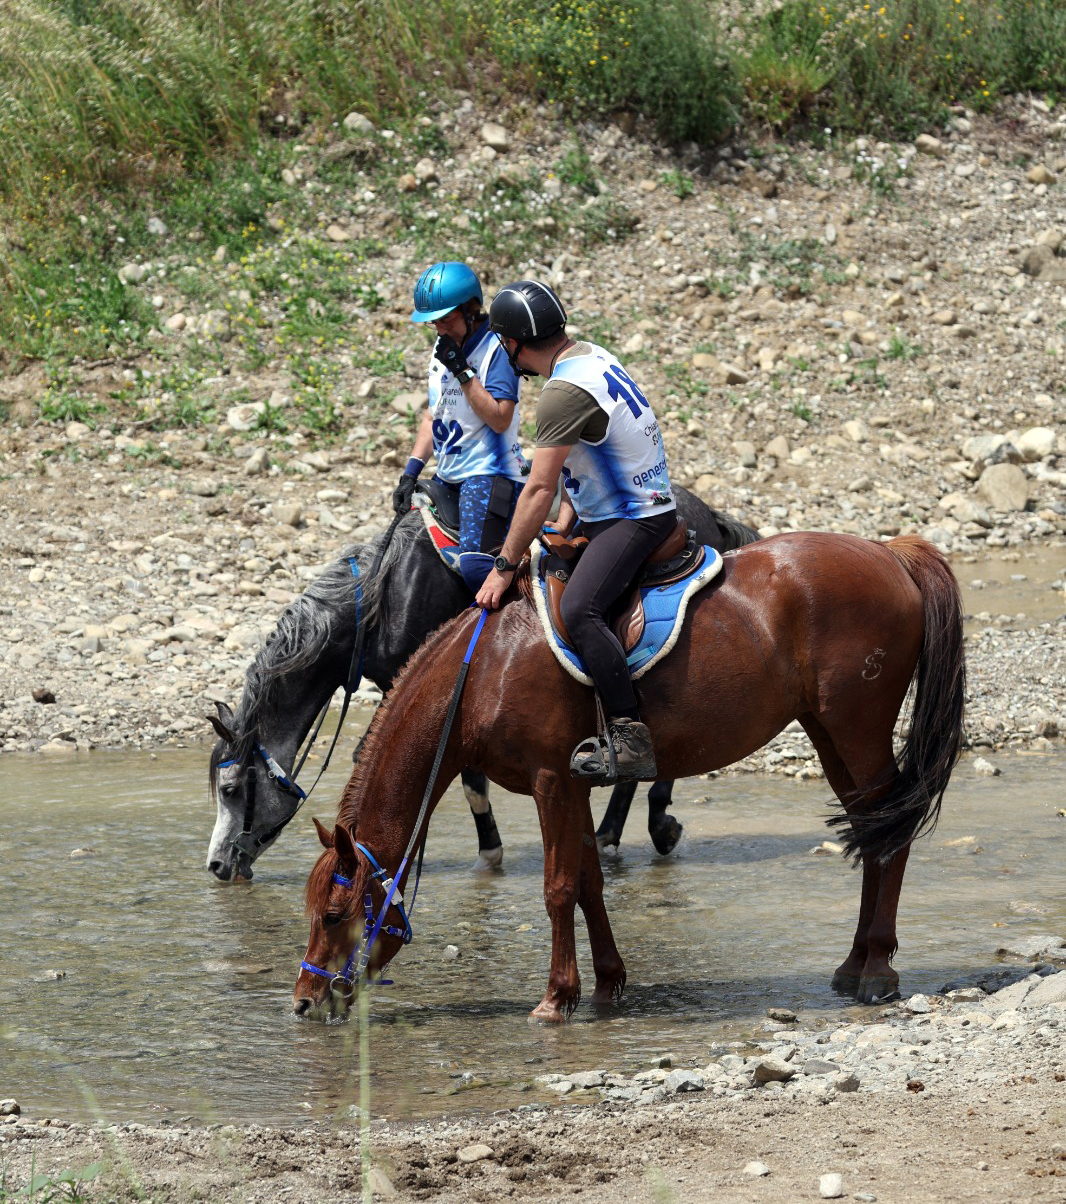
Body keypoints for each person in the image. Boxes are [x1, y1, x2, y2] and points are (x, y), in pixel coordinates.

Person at [475, 279, 676, 782]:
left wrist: (503, 566)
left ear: (513, 344)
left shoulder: (560, 393)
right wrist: (569, 518)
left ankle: (629, 736)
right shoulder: (588, 356)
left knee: (580, 610)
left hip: (635, 517)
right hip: (621, 504)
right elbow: (589, 454)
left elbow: (538, 488)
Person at [393, 261, 528, 591]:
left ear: (470, 309)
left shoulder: (495, 349)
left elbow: (499, 418)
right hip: (448, 472)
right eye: (433, 322)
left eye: (446, 319)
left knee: (476, 569)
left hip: (489, 472)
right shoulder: (444, 350)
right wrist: (411, 471)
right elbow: (433, 415)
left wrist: (463, 372)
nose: (439, 329)